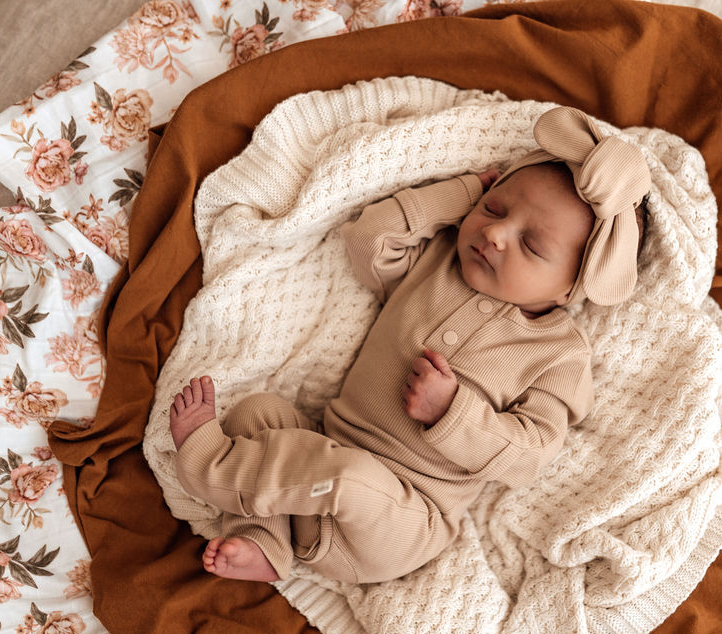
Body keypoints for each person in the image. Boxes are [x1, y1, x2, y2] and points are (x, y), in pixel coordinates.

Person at [167, 106, 652, 584]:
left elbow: (530, 454)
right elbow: (369, 239)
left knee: (350, 475)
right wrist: (462, 194)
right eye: (493, 209)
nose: (495, 234)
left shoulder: (559, 354)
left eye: (531, 246)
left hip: (403, 519)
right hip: (324, 461)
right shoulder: (438, 264)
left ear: (570, 288)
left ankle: (210, 468)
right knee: (261, 413)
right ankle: (264, 541)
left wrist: (453, 413)